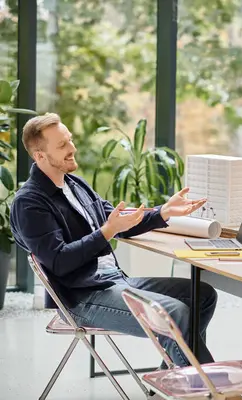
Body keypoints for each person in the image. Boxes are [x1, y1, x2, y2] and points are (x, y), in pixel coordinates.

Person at [10, 113, 217, 368]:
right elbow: (59, 261)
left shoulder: (75, 185)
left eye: (70, 140)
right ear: (39, 155)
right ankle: (212, 392)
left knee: (203, 295)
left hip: (115, 281)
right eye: (62, 145)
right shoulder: (30, 203)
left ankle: (177, 378)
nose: (72, 149)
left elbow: (117, 220)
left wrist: (163, 212)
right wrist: (107, 231)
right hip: (81, 297)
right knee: (174, 312)